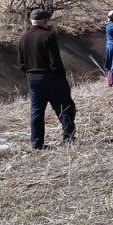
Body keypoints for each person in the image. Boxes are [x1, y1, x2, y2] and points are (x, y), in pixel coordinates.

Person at [19, 9, 76, 150]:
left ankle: (37, 144)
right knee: (65, 107)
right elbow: (55, 62)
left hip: (33, 78)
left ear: (31, 21)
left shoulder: (24, 37)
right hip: (50, 77)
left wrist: (29, 75)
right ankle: (69, 138)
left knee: (37, 111)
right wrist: (61, 79)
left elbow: (21, 63)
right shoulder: (48, 36)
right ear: (45, 21)